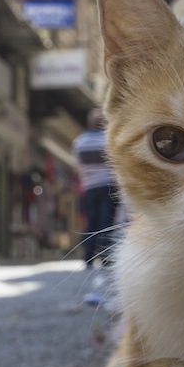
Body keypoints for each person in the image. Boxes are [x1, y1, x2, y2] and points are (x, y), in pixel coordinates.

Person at [72, 108, 119, 268]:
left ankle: (88, 258)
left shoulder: (79, 142)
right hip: (107, 185)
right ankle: (105, 258)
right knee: (106, 222)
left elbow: (77, 167)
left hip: (89, 188)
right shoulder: (107, 139)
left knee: (91, 221)